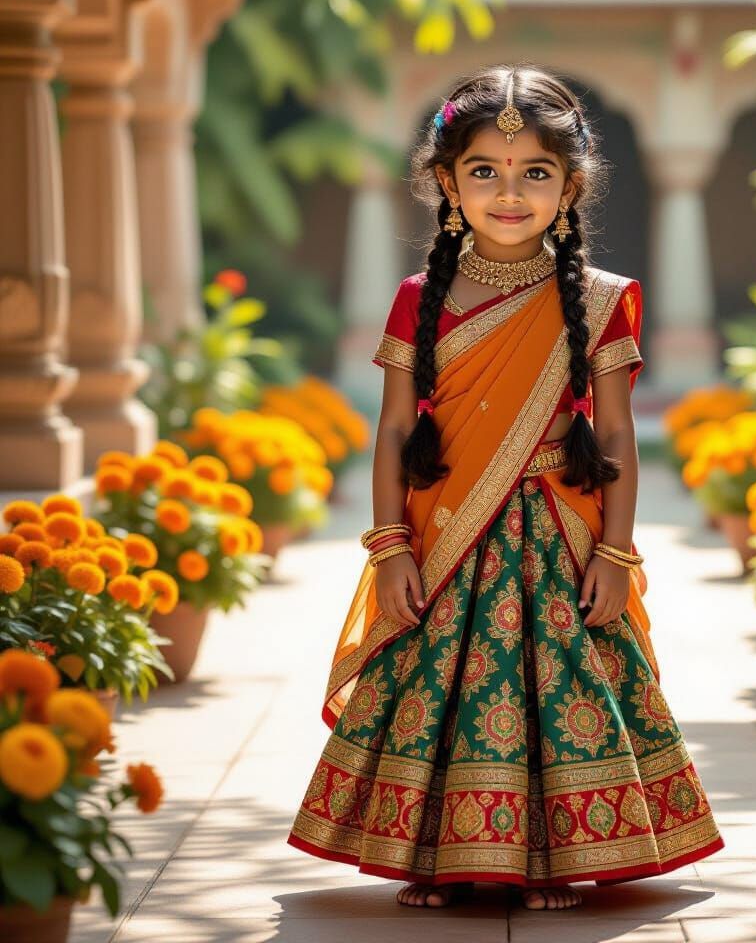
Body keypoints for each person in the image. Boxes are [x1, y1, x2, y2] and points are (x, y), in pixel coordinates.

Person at [286, 64, 724, 911]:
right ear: (447, 181)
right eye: (485, 170)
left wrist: (616, 552)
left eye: (536, 173)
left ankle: (554, 859)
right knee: (438, 694)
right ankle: (435, 856)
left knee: (554, 693)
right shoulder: (419, 300)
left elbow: (620, 433)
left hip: (557, 536)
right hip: (445, 531)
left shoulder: (596, 302)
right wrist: (387, 550)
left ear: (572, 186)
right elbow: (392, 432)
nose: (510, 192)